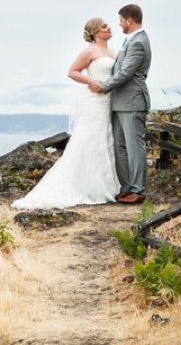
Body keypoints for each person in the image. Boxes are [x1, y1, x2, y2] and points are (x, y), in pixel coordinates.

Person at [16, 17, 120, 210]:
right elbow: (72, 72)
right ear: (96, 32)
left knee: (106, 138)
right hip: (95, 99)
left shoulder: (113, 51)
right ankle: (83, 185)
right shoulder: (90, 51)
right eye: (104, 26)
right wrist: (91, 82)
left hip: (110, 99)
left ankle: (107, 185)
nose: (109, 27)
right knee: (90, 137)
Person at [89, 3, 151, 204]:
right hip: (119, 103)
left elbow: (125, 73)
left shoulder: (139, 42)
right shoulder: (129, 41)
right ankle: (126, 188)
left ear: (129, 21)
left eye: (121, 21)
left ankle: (138, 189)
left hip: (132, 102)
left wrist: (103, 86)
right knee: (120, 147)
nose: (119, 24)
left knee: (134, 148)